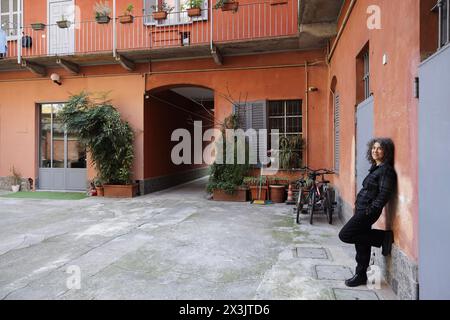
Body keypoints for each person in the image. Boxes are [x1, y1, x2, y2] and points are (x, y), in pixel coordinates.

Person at [338, 137, 397, 287]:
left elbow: (384, 194)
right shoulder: (376, 168)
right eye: (373, 148)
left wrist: (371, 209)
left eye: (379, 148)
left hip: (367, 211)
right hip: (362, 209)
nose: (375, 151)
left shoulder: (386, 171)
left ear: (386, 152)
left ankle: (383, 237)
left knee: (345, 235)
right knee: (361, 242)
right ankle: (360, 275)